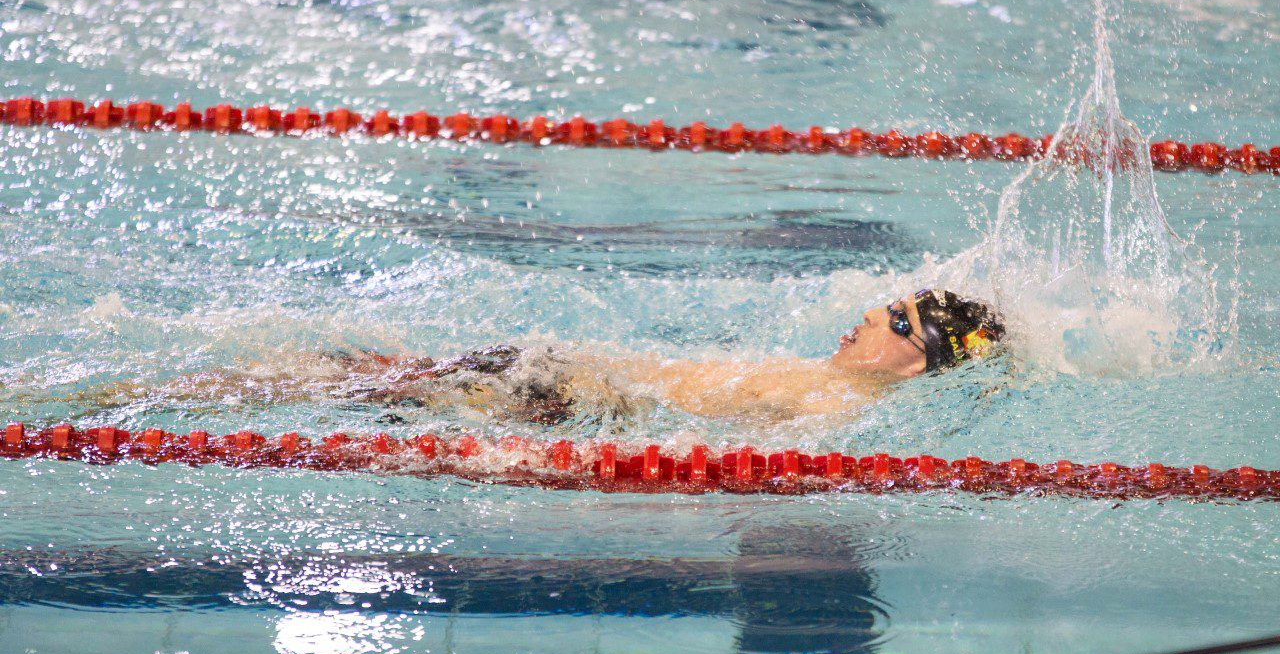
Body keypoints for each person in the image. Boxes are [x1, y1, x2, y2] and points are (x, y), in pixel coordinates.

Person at [330, 287, 1005, 424]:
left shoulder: (837, 406)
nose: (866, 314)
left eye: (894, 320)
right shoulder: (832, 388)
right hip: (564, 377)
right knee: (350, 378)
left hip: (570, 398)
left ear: (919, 362)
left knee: (342, 386)